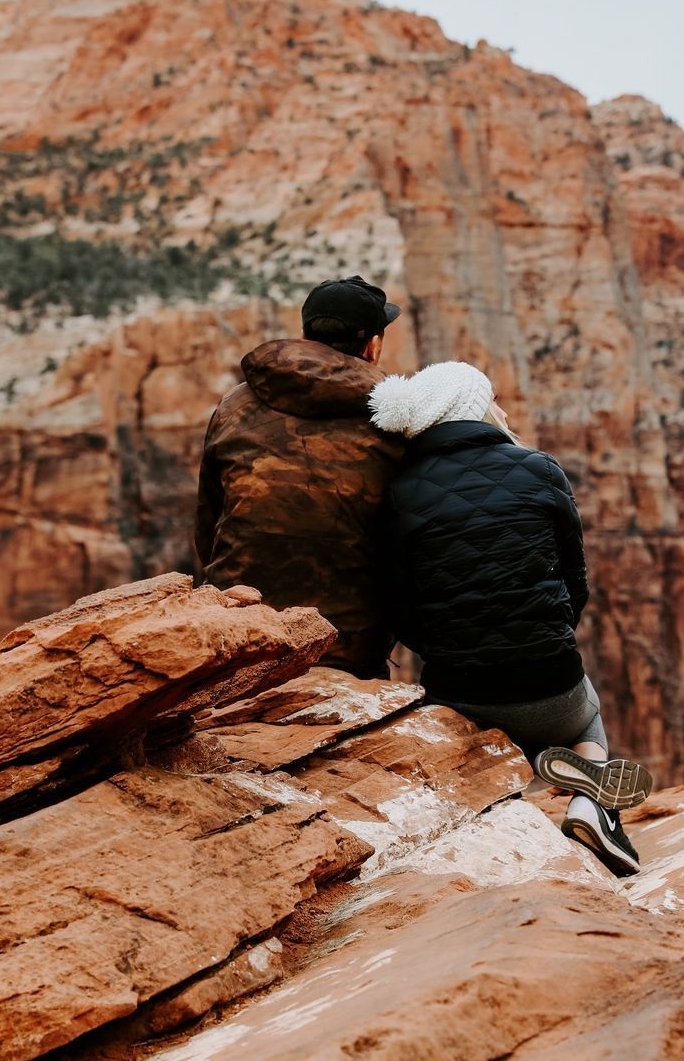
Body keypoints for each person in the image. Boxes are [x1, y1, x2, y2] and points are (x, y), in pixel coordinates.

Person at [368, 360, 651, 875]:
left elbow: (396, 602)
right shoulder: (538, 467)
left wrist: (448, 649)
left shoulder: (399, 491)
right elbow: (575, 579)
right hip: (549, 677)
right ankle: (593, 806)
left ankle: (500, 822)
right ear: (475, 407)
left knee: (482, 724)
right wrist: (549, 633)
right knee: (587, 717)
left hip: (460, 689)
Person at [195, 276, 405, 677]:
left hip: (238, 633)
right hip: (348, 648)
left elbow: (209, 522)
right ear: (373, 345)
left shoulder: (235, 404)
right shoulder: (395, 415)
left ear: (306, 334)